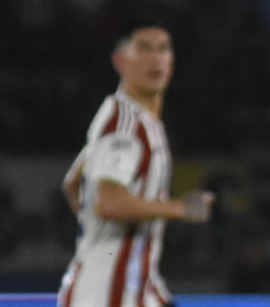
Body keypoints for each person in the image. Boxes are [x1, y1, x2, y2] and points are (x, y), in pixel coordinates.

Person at [57, 22, 215, 307]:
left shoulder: (134, 118)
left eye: (163, 49)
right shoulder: (125, 127)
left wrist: (95, 237)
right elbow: (109, 203)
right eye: (143, 49)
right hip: (107, 294)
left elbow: (72, 183)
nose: (155, 58)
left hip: (134, 285)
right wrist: (180, 208)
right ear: (121, 62)